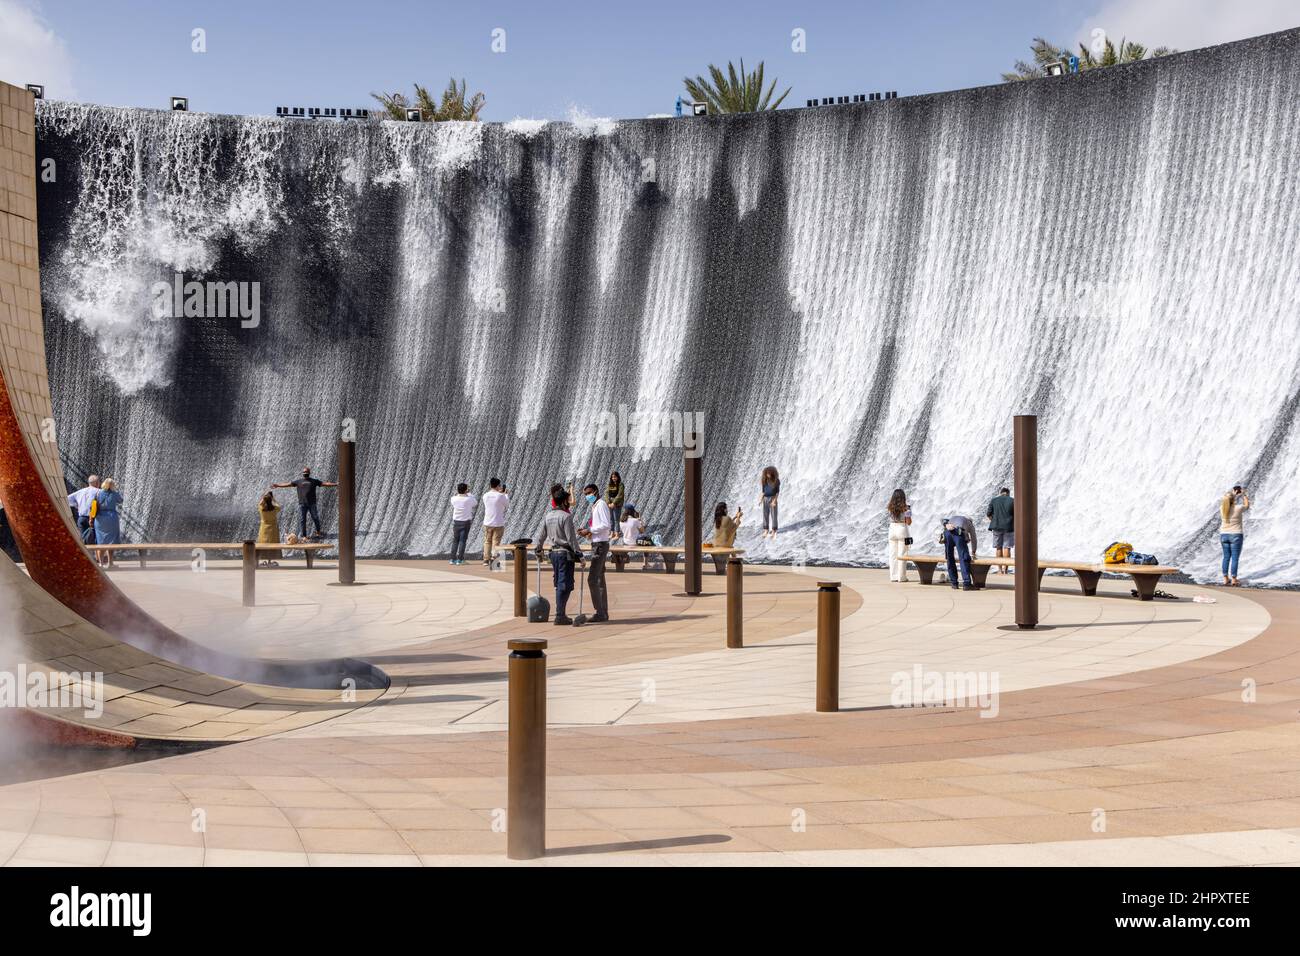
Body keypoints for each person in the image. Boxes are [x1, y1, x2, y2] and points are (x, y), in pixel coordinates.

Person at [536, 484, 583, 625]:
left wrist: (538, 549)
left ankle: (560, 614)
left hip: (553, 554)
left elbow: (541, 536)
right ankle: (560, 615)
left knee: (559, 583)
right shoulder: (566, 516)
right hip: (565, 554)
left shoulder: (548, 516)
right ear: (563, 502)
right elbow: (571, 538)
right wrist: (580, 555)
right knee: (565, 585)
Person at [577, 482, 611, 622]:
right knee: (599, 579)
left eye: (589, 493)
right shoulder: (595, 505)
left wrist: (589, 530)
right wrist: (586, 532)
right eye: (585, 494)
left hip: (600, 546)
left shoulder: (601, 504)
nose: (588, 496)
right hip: (597, 543)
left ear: (596, 491)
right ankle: (603, 612)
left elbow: (606, 525)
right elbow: (599, 526)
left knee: (592, 579)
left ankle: (600, 612)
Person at [272, 467, 337, 540]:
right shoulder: (298, 481)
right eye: (304, 472)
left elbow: (325, 484)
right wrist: (277, 485)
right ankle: (304, 536)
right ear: (303, 473)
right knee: (302, 520)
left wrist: (336, 484)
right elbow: (287, 484)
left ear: (309, 473)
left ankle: (318, 532)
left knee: (315, 518)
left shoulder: (314, 481)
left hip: (312, 504)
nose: (305, 473)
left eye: (306, 472)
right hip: (302, 504)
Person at [1219, 485, 1250, 586]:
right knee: (1235, 558)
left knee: (1226, 557)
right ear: (1234, 500)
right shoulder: (1238, 508)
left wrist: (1233, 494)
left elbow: (1226, 500)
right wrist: (1243, 494)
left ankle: (1225, 578)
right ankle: (1233, 579)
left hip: (1224, 535)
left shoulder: (1222, 509)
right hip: (1236, 535)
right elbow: (1247, 505)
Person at [941, 513, 978, 591]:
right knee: (964, 558)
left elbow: (946, 527)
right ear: (970, 521)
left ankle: (954, 583)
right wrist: (973, 551)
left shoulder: (953, 517)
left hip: (947, 533)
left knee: (950, 558)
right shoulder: (969, 524)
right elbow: (973, 539)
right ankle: (967, 584)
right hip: (958, 532)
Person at [92, 478, 124, 567]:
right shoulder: (115, 494)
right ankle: (110, 563)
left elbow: (93, 505)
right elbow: (121, 500)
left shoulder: (98, 493)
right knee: (111, 541)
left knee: (101, 541)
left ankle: (101, 563)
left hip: (100, 519)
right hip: (111, 518)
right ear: (112, 485)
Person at [448, 482, 478, 565]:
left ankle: (452, 559)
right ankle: (460, 560)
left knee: (455, 541)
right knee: (462, 541)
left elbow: (455, 497)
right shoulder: (469, 499)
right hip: (465, 522)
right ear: (466, 490)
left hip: (456, 522)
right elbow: (475, 503)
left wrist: (464, 492)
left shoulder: (453, 498)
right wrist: (469, 493)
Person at [886, 489, 912, 583]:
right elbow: (908, 522)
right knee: (902, 554)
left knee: (893, 554)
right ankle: (901, 577)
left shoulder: (889, 507)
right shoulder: (907, 508)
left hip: (892, 529)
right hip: (901, 529)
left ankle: (893, 576)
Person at [481, 478, 509, 566]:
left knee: (487, 541)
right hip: (498, 522)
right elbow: (506, 505)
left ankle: (486, 560)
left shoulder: (485, 495)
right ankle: (494, 558)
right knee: (496, 542)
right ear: (498, 486)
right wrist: (505, 494)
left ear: (490, 485)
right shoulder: (501, 496)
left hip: (487, 522)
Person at [987, 486, 1014, 575]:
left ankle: (999, 570)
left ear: (1001, 493)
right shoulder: (1012, 500)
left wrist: (994, 520)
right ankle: (1005, 570)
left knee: (998, 547)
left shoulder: (994, 500)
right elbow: (1016, 514)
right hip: (1009, 527)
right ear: (1008, 493)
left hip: (996, 526)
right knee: (1007, 547)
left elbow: (988, 513)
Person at [67, 474, 101, 545]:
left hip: (81, 519)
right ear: (97, 483)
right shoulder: (99, 492)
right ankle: (93, 556)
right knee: (95, 542)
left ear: (89, 483)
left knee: (83, 541)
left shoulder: (80, 491)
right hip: (94, 519)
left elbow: (67, 499)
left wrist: (77, 506)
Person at [257, 491, 282, 567]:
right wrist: (273, 498)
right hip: (273, 529)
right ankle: (270, 560)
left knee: (264, 544)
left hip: (264, 528)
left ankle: (263, 559)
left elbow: (260, 503)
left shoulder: (261, 509)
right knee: (272, 544)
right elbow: (279, 505)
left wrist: (264, 496)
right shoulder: (275, 509)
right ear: (271, 500)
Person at [760, 465, 780, 539]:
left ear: (772, 473)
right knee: (765, 514)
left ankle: (774, 530)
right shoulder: (764, 480)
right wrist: (761, 499)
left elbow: (777, 492)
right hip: (765, 498)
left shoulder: (776, 480)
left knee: (774, 515)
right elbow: (763, 492)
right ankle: (766, 530)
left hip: (773, 498)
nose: (767, 474)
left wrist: (774, 501)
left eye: (769, 473)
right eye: (766, 473)